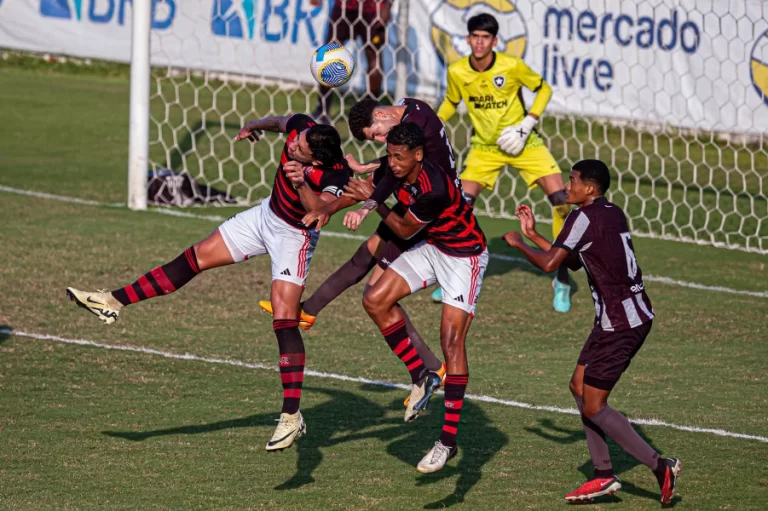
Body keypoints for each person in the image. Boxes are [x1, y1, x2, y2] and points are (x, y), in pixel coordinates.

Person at [66, 114, 352, 453]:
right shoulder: (300, 129)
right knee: (195, 257)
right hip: (264, 217)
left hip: (294, 237)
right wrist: (254, 126)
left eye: (299, 147)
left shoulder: (335, 174)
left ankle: (291, 416)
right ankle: (112, 301)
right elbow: (282, 121)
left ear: (316, 159)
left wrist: (302, 183)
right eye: (296, 139)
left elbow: (319, 211)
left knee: (284, 319)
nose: (292, 144)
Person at [258, 97, 458, 408]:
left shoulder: (410, 135)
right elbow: (389, 165)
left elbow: (385, 176)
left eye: (376, 134)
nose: (380, 140)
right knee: (364, 257)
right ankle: (308, 311)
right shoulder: (410, 113)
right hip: (413, 197)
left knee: (377, 294)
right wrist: (334, 202)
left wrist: (367, 206)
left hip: (430, 215)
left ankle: (432, 369)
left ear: (381, 114)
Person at [501, 159, 681, 504]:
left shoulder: (580, 217)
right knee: (578, 387)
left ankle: (661, 467)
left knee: (595, 405)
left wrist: (518, 244)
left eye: (572, 181)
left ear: (590, 188)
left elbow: (551, 264)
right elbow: (571, 258)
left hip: (622, 324)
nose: (565, 187)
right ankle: (602, 476)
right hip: (621, 317)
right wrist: (534, 234)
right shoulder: (611, 212)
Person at [343, 122, 488, 474]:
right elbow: (388, 179)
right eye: (389, 154)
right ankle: (421, 373)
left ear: (418, 156)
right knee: (375, 300)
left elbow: (405, 228)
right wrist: (369, 201)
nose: (391, 162)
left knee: (452, 342)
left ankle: (447, 443)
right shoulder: (401, 165)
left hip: (464, 258)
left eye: (397, 156)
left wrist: (370, 204)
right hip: (436, 247)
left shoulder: (434, 187)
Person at [435, 13, 573, 312]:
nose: (479, 42)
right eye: (475, 36)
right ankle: (448, 276)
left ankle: (561, 277)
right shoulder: (458, 71)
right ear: (468, 39)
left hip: (525, 143)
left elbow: (544, 89)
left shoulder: (511, 66)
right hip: (485, 148)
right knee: (459, 205)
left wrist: (527, 124)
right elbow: (450, 101)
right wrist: (429, 123)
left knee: (563, 201)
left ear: (495, 41)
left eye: (485, 37)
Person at [311, 0, 392, 125]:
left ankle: (370, 112)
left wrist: (387, 5)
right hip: (346, 6)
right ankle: (322, 110)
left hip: (371, 8)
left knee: (372, 55)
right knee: (329, 54)